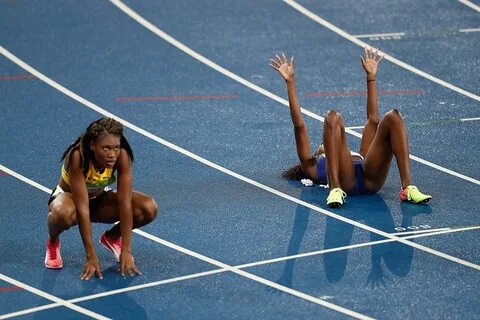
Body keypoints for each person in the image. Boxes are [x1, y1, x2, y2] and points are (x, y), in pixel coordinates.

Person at [269, 47, 431, 208]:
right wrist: (290, 83)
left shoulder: (359, 155)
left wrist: (371, 77)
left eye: (323, 144)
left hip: (370, 179)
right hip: (346, 183)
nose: (323, 144)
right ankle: (335, 189)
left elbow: (373, 120)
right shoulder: (311, 167)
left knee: (393, 116)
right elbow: (299, 125)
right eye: (324, 144)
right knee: (332, 117)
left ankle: (407, 188)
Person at [45, 117, 158, 280]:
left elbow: (124, 202)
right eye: (106, 148)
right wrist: (91, 256)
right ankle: (53, 242)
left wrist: (126, 251)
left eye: (116, 148)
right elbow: (82, 207)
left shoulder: (122, 156)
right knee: (61, 213)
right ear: (93, 146)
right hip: (71, 200)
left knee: (147, 207)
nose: (112, 154)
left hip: (99, 199)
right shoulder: (78, 156)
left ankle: (111, 238)